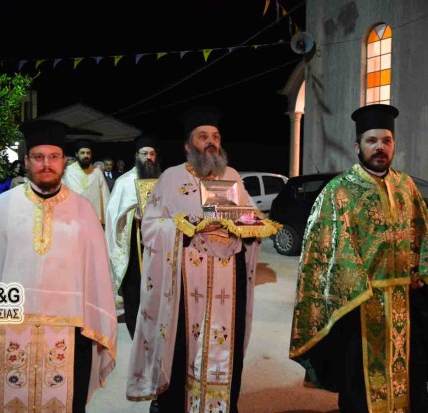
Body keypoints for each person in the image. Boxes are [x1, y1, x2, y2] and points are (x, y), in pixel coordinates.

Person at [288, 104, 428, 413]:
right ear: (357, 146)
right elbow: (321, 253)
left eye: (386, 141)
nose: (380, 147)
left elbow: (426, 237)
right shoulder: (339, 192)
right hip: (359, 307)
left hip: (405, 304)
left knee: (409, 383)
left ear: (394, 144)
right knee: (360, 387)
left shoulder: (406, 187)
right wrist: (357, 285)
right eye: (372, 141)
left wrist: (424, 273)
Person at [0, 119, 117, 413]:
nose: (46, 164)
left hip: (72, 330)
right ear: (27, 161)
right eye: (39, 157)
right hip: (8, 327)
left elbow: (97, 276)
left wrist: (100, 326)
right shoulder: (2, 206)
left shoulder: (84, 211)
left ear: (63, 161)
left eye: (54, 157)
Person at [125, 107, 280, 412]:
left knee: (226, 347)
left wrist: (245, 224)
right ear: (187, 145)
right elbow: (151, 226)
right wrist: (185, 226)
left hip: (228, 284)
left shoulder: (230, 177)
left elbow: (251, 219)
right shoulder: (171, 178)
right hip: (184, 287)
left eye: (215, 137)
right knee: (182, 347)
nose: (211, 142)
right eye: (203, 137)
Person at [105, 134, 162, 338]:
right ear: (137, 155)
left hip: (158, 246)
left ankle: (155, 329)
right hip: (134, 243)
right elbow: (113, 215)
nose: (149, 158)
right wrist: (133, 214)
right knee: (134, 289)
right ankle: (135, 329)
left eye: (152, 154)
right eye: (144, 154)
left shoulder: (162, 181)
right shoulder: (124, 182)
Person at [62, 139, 110, 225]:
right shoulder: (68, 172)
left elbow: (105, 196)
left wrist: (107, 219)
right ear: (77, 154)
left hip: (94, 218)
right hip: (73, 218)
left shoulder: (97, 172)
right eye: (82, 153)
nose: (86, 156)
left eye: (88, 153)